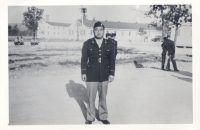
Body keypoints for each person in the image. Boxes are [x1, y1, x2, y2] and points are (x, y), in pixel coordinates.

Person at [81, 21, 116, 125]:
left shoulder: (110, 44)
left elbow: (112, 60)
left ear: (103, 31)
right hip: (91, 74)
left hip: (104, 74)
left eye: (101, 30)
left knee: (103, 97)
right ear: (93, 31)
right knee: (91, 98)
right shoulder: (88, 43)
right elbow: (84, 59)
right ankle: (90, 117)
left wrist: (111, 73)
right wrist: (83, 73)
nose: (99, 32)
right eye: (96, 30)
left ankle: (103, 116)